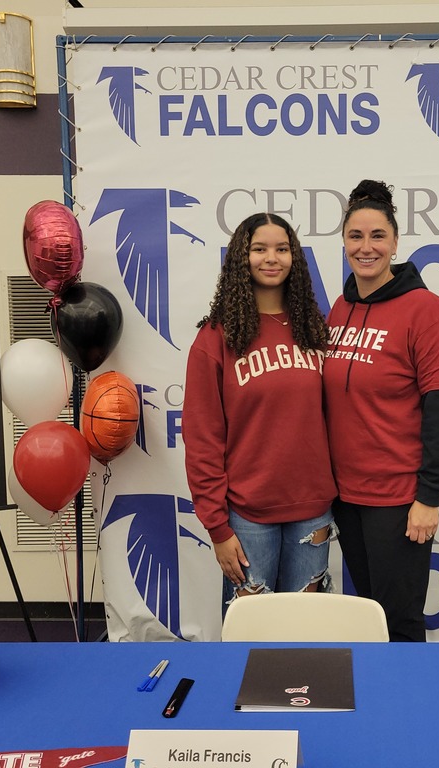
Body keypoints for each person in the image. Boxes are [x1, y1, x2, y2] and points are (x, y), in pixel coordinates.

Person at [323, 179, 439, 642]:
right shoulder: (340, 309)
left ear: (396, 242)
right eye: (356, 237)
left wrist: (429, 497)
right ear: (343, 242)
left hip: (398, 499)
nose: (366, 248)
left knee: (400, 623)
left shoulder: (425, 310)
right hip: (346, 498)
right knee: (368, 620)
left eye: (377, 236)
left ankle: (412, 712)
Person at [183, 212, 337, 609]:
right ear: (241, 257)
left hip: (312, 510)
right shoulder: (216, 338)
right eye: (259, 249)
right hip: (247, 515)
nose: (272, 258)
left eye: (282, 249)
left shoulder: (313, 329)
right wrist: (217, 528)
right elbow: (202, 439)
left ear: (294, 258)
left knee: (307, 636)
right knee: (248, 639)